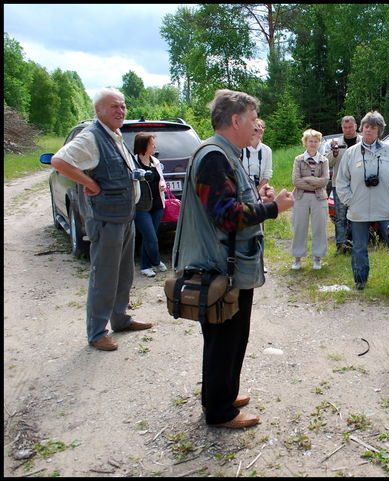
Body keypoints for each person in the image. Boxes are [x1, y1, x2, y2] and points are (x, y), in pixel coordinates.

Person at [172, 89, 294, 428]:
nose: (256, 127)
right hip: (219, 267)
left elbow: (234, 199)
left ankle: (222, 394)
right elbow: (225, 215)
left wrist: (259, 195)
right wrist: (273, 208)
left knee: (231, 336)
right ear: (236, 120)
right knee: (223, 337)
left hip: (232, 264)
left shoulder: (228, 154)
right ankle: (220, 411)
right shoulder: (214, 156)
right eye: (253, 120)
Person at [51, 88, 152, 352]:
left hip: (125, 215)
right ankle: (97, 333)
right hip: (106, 218)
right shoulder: (92, 137)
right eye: (113, 107)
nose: (120, 110)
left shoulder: (115, 134)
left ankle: (120, 319)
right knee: (104, 276)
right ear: (99, 111)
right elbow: (59, 160)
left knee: (124, 273)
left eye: (122, 106)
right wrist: (89, 182)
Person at [335, 111, 389, 290]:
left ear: (379, 130)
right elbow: (341, 181)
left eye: (373, 127)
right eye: (366, 126)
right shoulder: (351, 153)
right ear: (362, 128)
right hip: (358, 209)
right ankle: (360, 280)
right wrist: (350, 201)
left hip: (385, 208)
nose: (368, 130)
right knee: (359, 247)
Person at [290, 129, 330, 270]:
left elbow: (325, 180)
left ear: (319, 143)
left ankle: (317, 258)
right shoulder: (298, 159)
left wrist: (307, 179)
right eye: (310, 141)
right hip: (301, 197)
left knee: (319, 227)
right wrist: (314, 181)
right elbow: (296, 180)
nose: (313, 144)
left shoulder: (324, 160)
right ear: (305, 143)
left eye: (316, 141)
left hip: (319, 198)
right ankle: (297, 258)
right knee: (299, 226)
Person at [133, 132, 168, 277]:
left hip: (157, 205)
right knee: (150, 237)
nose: (154, 146)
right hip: (141, 206)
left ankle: (145, 266)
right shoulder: (132, 162)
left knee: (150, 237)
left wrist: (162, 184)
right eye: (151, 144)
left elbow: (161, 179)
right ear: (143, 146)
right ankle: (156, 260)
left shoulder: (155, 161)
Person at [329, 115, 362, 254]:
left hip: (359, 185)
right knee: (340, 216)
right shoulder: (336, 143)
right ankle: (341, 245)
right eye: (345, 127)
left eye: (350, 127)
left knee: (357, 215)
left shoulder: (363, 141)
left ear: (355, 126)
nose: (348, 130)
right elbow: (328, 163)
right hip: (340, 185)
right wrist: (334, 153)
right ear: (342, 128)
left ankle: (356, 244)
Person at [242, 118, 273, 190]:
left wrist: (257, 192)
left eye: (262, 127)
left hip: (259, 190)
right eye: (257, 127)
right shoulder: (241, 148)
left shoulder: (267, 150)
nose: (260, 129)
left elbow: (267, 174)